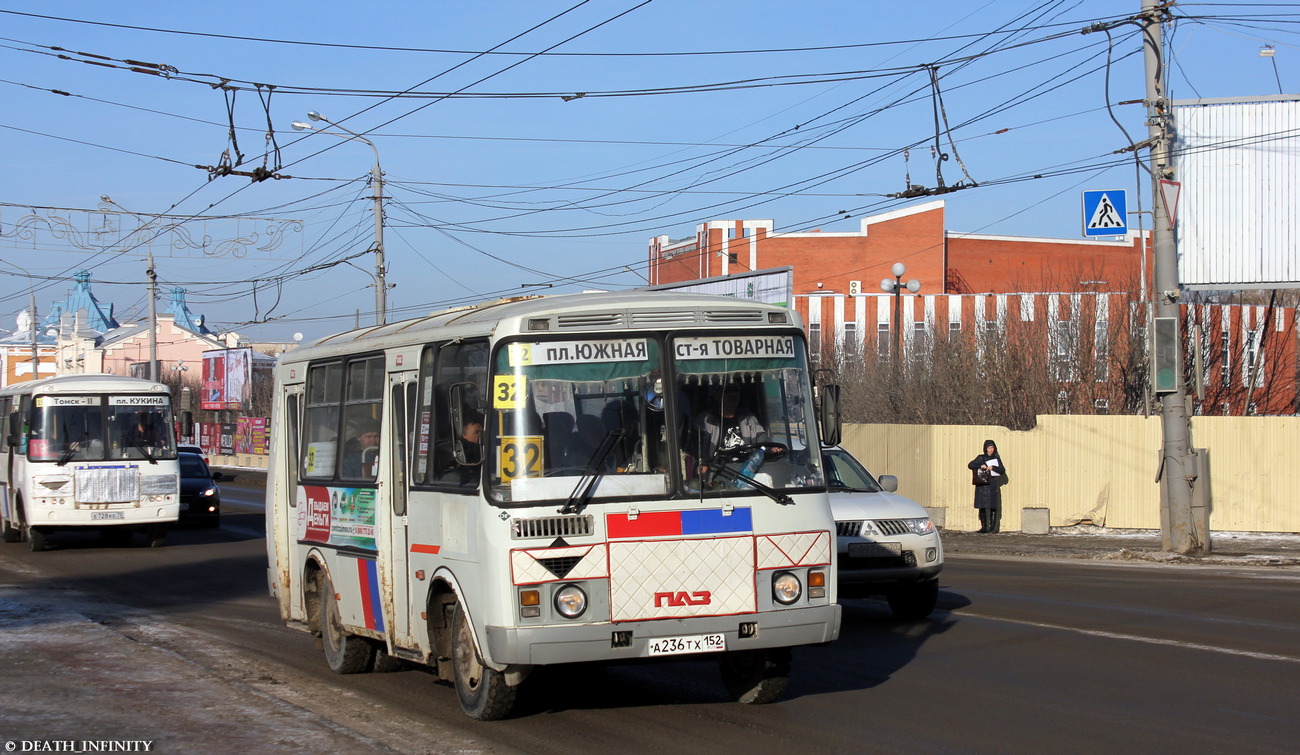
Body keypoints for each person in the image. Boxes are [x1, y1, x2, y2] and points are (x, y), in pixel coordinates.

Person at [693, 385, 784, 477]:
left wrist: (771, 448)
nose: (733, 394)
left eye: (736, 390)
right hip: (718, 475)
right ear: (717, 395)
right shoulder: (706, 421)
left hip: (747, 473)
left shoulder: (749, 419)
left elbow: (762, 440)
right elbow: (701, 451)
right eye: (727, 391)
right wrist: (704, 466)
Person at [968, 439, 1009, 533]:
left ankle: (993, 528)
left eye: (992, 448)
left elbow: (1002, 471)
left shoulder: (996, 459)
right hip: (982, 485)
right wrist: (981, 465)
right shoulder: (980, 457)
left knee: (993, 506)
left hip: (992, 485)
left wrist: (993, 468)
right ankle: (984, 527)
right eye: (989, 448)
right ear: (985, 449)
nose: (991, 450)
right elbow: (970, 465)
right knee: (982, 506)